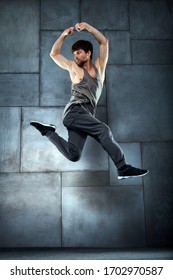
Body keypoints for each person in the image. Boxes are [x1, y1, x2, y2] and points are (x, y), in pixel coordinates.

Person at [30, 22, 149, 179]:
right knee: (103, 130)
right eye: (74, 54)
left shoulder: (100, 67)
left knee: (74, 155)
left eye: (78, 53)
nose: (75, 56)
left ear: (88, 53)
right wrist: (63, 35)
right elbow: (54, 54)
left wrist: (87, 26)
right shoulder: (74, 68)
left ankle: (48, 132)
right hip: (74, 111)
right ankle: (122, 167)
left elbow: (104, 42)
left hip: (84, 115)